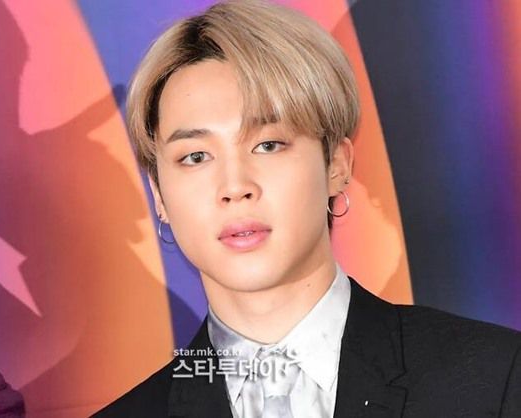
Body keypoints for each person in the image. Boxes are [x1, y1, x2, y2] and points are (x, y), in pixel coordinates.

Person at [92, 0, 521, 416]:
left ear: (336, 164)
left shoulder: (495, 379)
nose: (235, 187)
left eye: (268, 145)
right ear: (160, 195)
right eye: (196, 156)